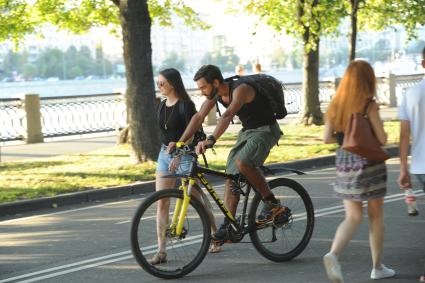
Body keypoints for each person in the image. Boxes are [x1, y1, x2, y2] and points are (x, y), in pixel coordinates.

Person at [176, 64, 288, 244]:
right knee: (231, 177)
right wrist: (181, 142)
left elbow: (228, 115)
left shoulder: (240, 89)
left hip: (266, 130)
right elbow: (199, 117)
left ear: (216, 82)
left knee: (243, 162)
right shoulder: (216, 94)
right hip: (248, 132)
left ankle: (272, 203)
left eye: (204, 87)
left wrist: (211, 139)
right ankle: (229, 225)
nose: (202, 92)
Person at [322, 60, 395, 282]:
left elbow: (326, 138)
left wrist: (346, 138)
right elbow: (382, 139)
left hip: (344, 162)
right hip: (369, 162)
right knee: (375, 216)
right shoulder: (369, 105)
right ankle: (377, 267)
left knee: (352, 216)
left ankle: (333, 254)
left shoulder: (336, 104)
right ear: (368, 80)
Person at [150, 68, 220, 265]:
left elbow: (193, 132)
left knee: (196, 199)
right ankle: (161, 251)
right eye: (158, 83)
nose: (159, 87)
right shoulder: (162, 105)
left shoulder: (186, 105)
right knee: (162, 202)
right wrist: (169, 152)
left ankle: (216, 235)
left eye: (162, 83)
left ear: (173, 84)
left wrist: (181, 153)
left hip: (186, 154)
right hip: (165, 155)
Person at [398, 46, 425, 282]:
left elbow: (404, 135)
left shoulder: (410, 94)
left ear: (423, 64)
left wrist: (403, 169)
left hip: (421, 165)